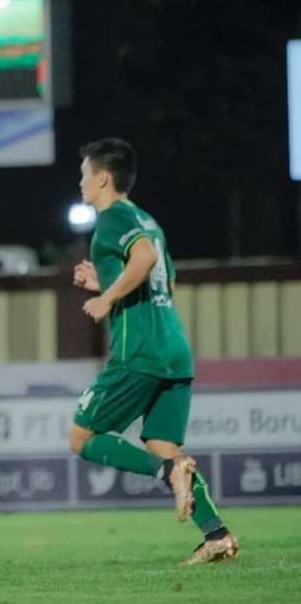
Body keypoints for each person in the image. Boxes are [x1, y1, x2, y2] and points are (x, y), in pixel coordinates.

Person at [70, 137, 237, 565]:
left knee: (82, 437)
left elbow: (141, 260)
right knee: (163, 444)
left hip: (139, 350)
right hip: (175, 350)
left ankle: (167, 473)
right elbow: (165, 279)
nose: (82, 182)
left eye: (85, 174)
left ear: (103, 178)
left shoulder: (112, 218)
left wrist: (106, 300)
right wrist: (105, 283)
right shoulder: (148, 219)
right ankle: (216, 535)